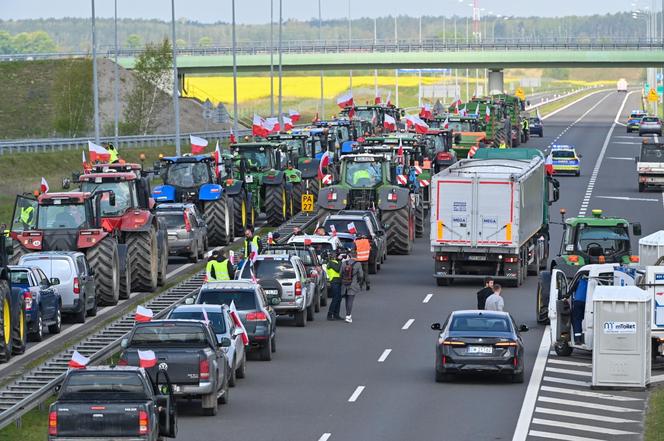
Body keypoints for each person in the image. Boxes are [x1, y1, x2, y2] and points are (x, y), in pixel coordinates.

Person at [340, 250, 363, 323]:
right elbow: (361, 275)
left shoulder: (344, 263)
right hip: (353, 284)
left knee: (346, 300)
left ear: (349, 255)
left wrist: (343, 280)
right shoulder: (358, 264)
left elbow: (340, 273)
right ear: (356, 256)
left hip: (344, 284)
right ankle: (348, 316)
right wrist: (358, 282)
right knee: (350, 300)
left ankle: (347, 315)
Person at [326, 250, 343, 320]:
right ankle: (330, 314)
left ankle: (336, 314)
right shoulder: (330, 263)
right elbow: (337, 269)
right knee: (335, 298)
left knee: (339, 298)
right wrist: (340, 260)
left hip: (338, 281)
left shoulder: (336, 262)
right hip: (334, 282)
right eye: (337, 255)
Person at [571, 276, 588, 344]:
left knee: (577, 320)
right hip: (588, 302)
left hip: (578, 302)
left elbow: (572, 290)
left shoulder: (579, 281)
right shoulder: (592, 281)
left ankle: (578, 339)